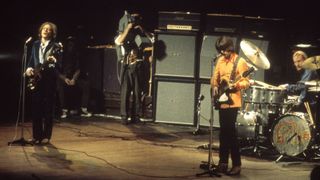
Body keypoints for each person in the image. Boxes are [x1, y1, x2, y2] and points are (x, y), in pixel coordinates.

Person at [211, 36, 250, 175]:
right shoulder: (220, 60)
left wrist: (237, 85)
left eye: (224, 51)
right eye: (221, 51)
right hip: (222, 100)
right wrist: (215, 86)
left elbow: (247, 82)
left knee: (230, 133)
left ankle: (237, 164)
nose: (222, 53)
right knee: (223, 132)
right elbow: (215, 77)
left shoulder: (240, 62)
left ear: (230, 48)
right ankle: (222, 162)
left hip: (233, 101)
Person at [25, 22, 62, 144]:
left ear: (52, 33)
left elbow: (59, 64)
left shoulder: (56, 46)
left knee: (48, 109)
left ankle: (46, 136)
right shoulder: (35, 44)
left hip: (49, 79)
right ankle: (36, 136)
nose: (46, 31)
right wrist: (29, 69)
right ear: (40, 31)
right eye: (44, 29)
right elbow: (31, 60)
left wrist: (54, 61)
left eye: (49, 29)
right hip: (36, 78)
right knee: (36, 108)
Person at [115, 10, 152, 125]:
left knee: (137, 92)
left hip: (138, 65)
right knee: (125, 92)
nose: (134, 21)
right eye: (133, 19)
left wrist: (142, 29)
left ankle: (135, 116)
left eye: (136, 19)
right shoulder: (125, 32)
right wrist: (128, 28)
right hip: (126, 65)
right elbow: (118, 41)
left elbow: (152, 40)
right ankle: (124, 117)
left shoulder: (140, 32)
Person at [279, 50, 319, 141]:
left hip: (311, 104)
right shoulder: (306, 71)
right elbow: (304, 88)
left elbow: (302, 86)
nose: (297, 64)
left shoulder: (309, 70)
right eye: (295, 62)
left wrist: (287, 87)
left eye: (299, 61)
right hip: (308, 102)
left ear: (306, 61)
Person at [57, 36, 92, 119]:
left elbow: (78, 69)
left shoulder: (76, 55)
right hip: (62, 78)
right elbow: (56, 71)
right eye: (69, 44)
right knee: (60, 86)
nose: (71, 46)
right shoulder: (61, 55)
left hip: (72, 78)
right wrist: (64, 79)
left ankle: (83, 108)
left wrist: (74, 79)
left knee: (86, 84)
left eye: (72, 44)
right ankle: (63, 109)